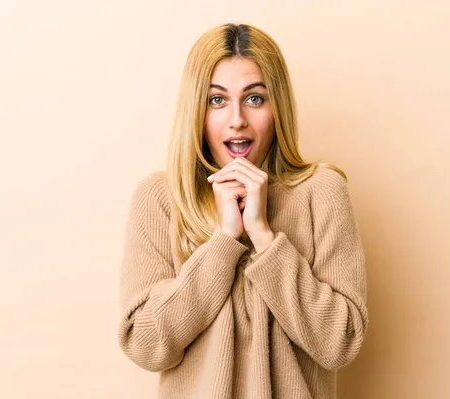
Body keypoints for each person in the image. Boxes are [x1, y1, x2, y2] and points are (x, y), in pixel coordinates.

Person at [118, 23, 369, 398]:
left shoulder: (322, 191)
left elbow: (341, 342)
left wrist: (263, 235)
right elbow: (145, 343)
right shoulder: (160, 199)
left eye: (254, 99)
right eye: (217, 100)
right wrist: (224, 241)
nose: (237, 119)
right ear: (196, 111)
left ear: (277, 107)